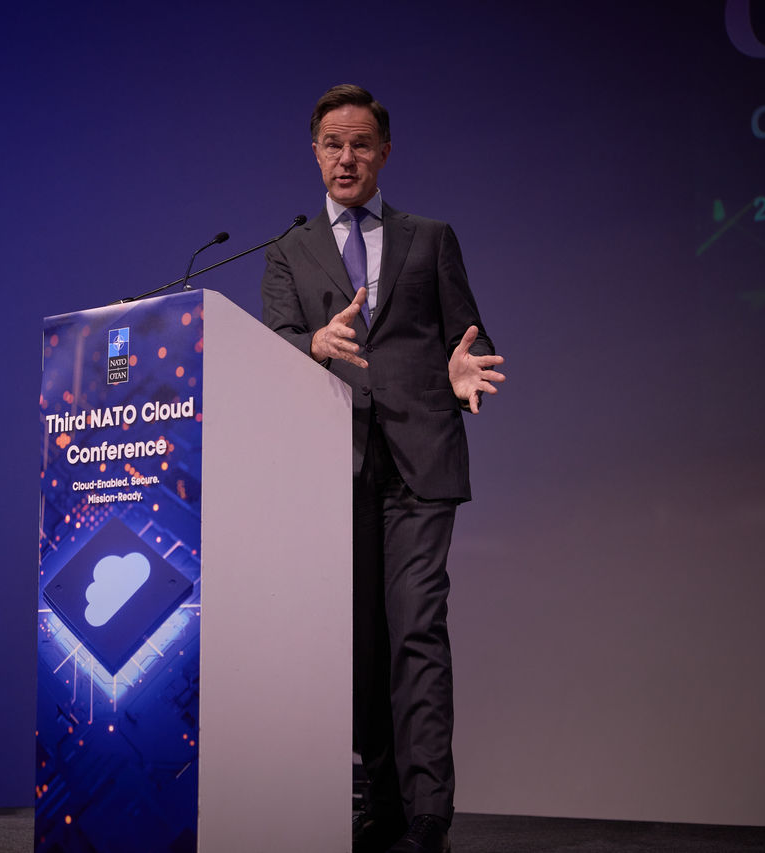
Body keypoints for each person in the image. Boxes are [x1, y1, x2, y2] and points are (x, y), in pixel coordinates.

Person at [261, 85, 505, 853]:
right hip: (336, 466)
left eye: (361, 142)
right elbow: (270, 349)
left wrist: (462, 367)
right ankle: (384, 793)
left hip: (422, 460)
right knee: (362, 644)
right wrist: (309, 347)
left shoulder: (430, 238)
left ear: (384, 151)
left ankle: (429, 809)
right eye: (333, 142)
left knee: (417, 629)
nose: (347, 156)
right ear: (314, 151)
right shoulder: (287, 250)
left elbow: (467, 333)